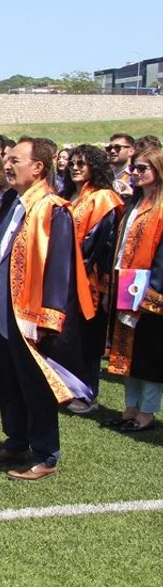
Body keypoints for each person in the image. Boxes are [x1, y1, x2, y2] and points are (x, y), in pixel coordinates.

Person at [0, 137, 90, 480]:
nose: (7, 165)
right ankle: (16, 440)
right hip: (1, 305)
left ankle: (45, 455)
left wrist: (47, 319)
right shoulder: (13, 200)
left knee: (34, 384)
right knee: (10, 377)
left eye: (15, 160)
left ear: (38, 167)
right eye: (6, 159)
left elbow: (59, 268)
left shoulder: (52, 208)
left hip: (29, 313)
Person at [104, 147, 163, 434]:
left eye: (143, 168)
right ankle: (130, 408)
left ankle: (147, 412)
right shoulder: (134, 204)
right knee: (125, 350)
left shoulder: (161, 208)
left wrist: (152, 291)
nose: (136, 173)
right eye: (135, 168)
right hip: (125, 286)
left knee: (149, 353)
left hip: (150, 293)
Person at [61, 144, 123, 413]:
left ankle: (88, 394)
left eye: (82, 163)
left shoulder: (104, 199)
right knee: (65, 338)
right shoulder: (65, 196)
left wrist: (68, 266)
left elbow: (96, 243)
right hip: (62, 277)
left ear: (94, 167)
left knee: (87, 340)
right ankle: (67, 389)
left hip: (89, 279)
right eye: (72, 162)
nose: (75, 167)